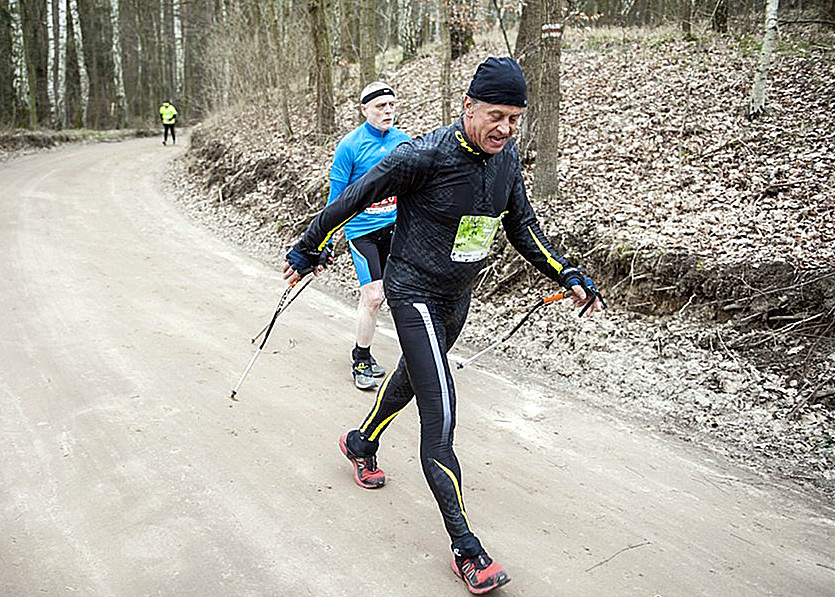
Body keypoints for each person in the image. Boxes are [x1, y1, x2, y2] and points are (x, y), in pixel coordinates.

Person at [282, 57, 605, 594]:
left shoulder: (507, 160)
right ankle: (466, 547)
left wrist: (566, 271)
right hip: (413, 296)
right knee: (442, 411)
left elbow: (522, 225)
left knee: (411, 380)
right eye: (495, 115)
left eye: (515, 118)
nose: (504, 128)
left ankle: (361, 442)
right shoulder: (423, 156)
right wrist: (309, 247)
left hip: (457, 299)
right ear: (468, 107)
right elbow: (351, 199)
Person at [328, 81, 410, 391]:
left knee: (401, 293)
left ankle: (411, 361)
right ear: (365, 110)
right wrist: (322, 242)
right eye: (380, 106)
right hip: (362, 231)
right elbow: (336, 199)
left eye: (391, 105)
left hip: (395, 228)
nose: (388, 111)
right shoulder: (350, 146)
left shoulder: (404, 142)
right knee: (374, 296)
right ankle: (361, 358)